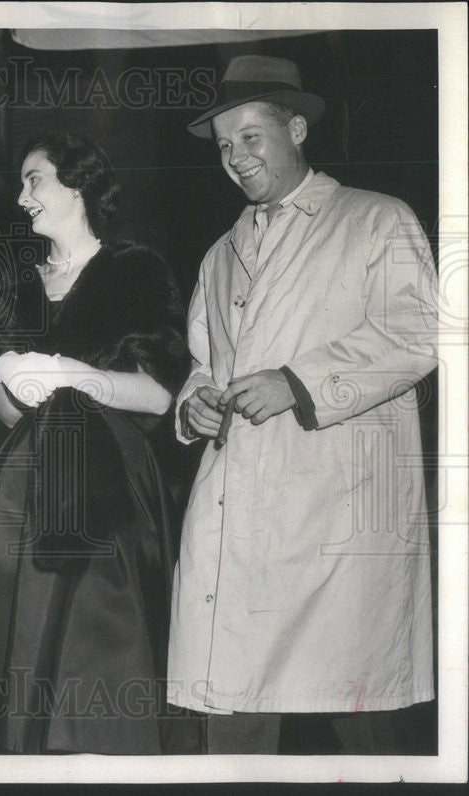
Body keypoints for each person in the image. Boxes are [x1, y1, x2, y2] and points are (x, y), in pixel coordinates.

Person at [168, 55, 438, 754]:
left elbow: (418, 334)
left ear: (296, 128)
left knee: (363, 710)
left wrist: (300, 381)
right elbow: (205, 363)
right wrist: (194, 403)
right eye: (225, 146)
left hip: (339, 510)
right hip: (240, 511)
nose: (235, 157)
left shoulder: (375, 219)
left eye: (251, 137)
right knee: (231, 709)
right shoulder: (220, 254)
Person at [0, 133, 195, 754]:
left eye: (35, 180)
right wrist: (11, 388)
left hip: (108, 485)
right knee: (26, 653)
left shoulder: (136, 270)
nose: (22, 196)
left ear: (79, 186)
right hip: (20, 489)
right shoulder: (13, 287)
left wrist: (77, 378)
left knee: (100, 649)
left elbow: (161, 393)